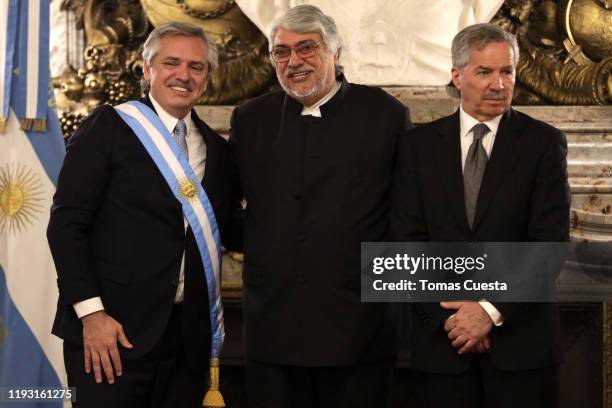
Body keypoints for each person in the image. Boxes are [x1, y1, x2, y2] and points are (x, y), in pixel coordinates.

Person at [47, 22, 242, 407]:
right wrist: (91, 315)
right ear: (146, 68)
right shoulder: (109, 127)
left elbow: (231, 229)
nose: (183, 75)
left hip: (185, 343)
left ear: (207, 78)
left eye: (196, 66)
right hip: (111, 337)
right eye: (172, 63)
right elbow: (67, 225)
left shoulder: (218, 152)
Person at [229, 5, 411, 408]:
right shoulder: (250, 119)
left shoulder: (385, 115)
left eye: (307, 48)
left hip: (360, 332)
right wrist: (265, 247)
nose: (294, 61)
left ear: (335, 52)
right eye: (281, 52)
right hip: (272, 330)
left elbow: (406, 217)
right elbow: (225, 207)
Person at [391, 23, 570, 407]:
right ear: (457, 75)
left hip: (522, 349)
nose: (499, 84)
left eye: (507, 72)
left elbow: (549, 246)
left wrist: (488, 310)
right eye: (485, 72)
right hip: (442, 347)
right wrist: (455, 320)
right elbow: (407, 242)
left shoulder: (543, 144)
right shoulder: (417, 146)